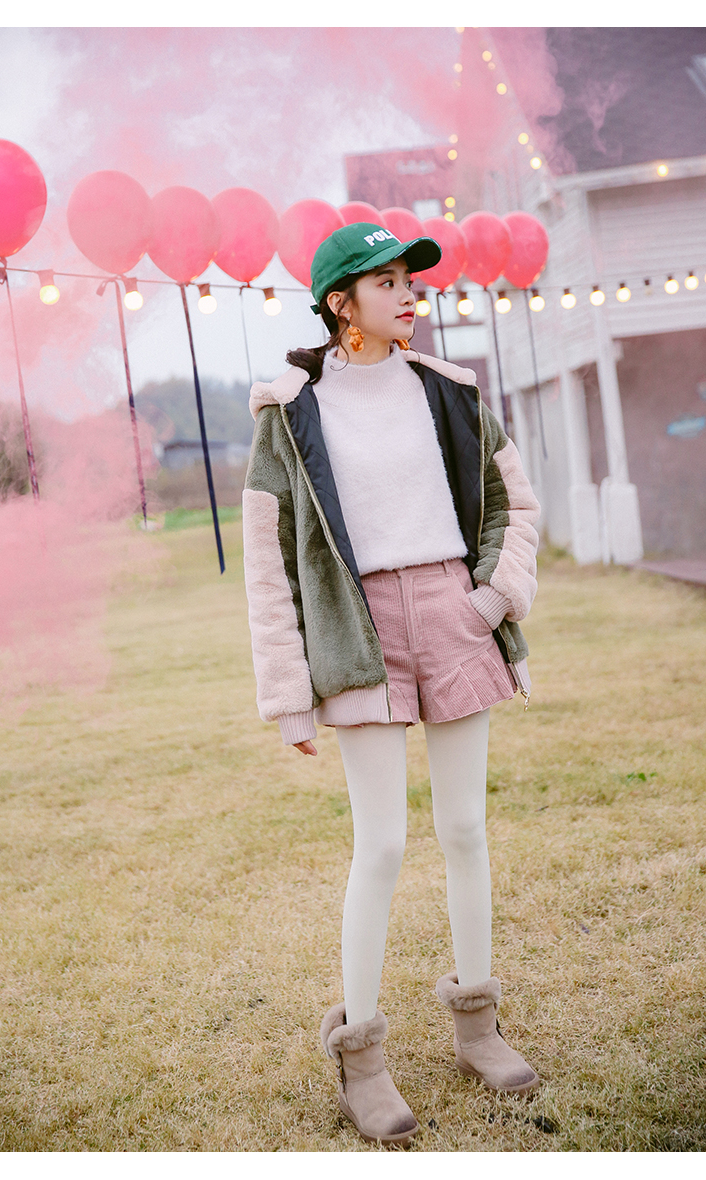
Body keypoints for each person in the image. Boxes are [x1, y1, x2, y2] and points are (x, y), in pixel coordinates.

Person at [242, 222, 541, 1147]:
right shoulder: (289, 414)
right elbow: (268, 561)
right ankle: (362, 1058)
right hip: (357, 629)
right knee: (381, 844)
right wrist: (288, 692)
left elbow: (513, 503)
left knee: (465, 828)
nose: (411, 295)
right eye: (389, 282)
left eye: (412, 280)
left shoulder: (450, 390)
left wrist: (491, 598)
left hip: (454, 612)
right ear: (341, 304)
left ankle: (478, 1027)